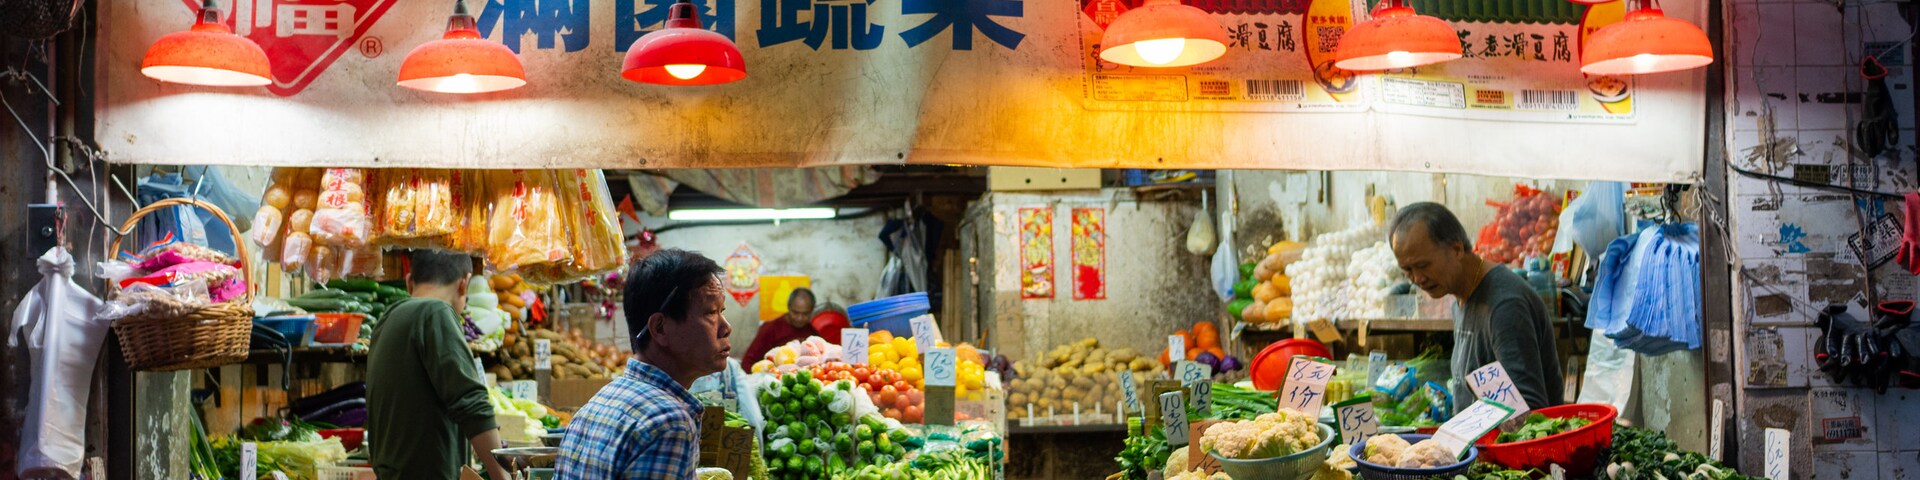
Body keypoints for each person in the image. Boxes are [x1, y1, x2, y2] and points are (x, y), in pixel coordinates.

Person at [557, 248, 734, 479]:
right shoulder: (669, 423)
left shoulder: (597, 403)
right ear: (660, 328)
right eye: (710, 312)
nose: (726, 327)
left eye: (722, 311)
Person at [1388, 202, 1564, 411]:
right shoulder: (1461, 298)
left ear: (1457, 249)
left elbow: (1529, 408)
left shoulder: (1505, 305)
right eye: (1407, 270)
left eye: (1423, 265)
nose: (1417, 278)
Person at [366, 250, 512, 480]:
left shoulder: (388, 318)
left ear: (409, 282)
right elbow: (472, 403)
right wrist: (502, 476)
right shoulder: (436, 312)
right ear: (464, 284)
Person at [741, 288, 819, 362]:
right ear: (788, 307)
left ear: (812, 311)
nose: (800, 318)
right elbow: (748, 362)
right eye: (795, 313)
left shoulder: (812, 333)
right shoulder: (770, 329)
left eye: (805, 314)